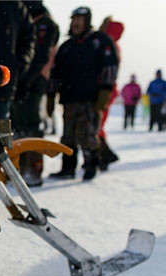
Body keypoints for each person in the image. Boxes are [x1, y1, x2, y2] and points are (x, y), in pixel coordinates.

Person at [49, 6, 118, 181]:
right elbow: (55, 72)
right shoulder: (66, 46)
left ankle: (91, 166)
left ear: (87, 22)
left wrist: (105, 91)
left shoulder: (99, 41)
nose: (75, 23)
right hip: (69, 98)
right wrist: (51, 94)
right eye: (73, 20)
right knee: (68, 135)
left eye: (79, 20)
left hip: (91, 98)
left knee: (87, 134)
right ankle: (68, 168)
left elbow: (110, 66)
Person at [11, 1, 59, 187]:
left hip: (33, 80)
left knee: (31, 125)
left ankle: (33, 169)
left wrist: (26, 79)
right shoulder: (25, 21)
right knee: (18, 125)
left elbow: (41, 55)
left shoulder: (44, 24)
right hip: (20, 79)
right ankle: (19, 167)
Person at [96, 16, 123, 171]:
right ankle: (104, 155)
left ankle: (105, 155)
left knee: (96, 125)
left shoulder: (108, 46)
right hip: (107, 90)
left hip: (105, 91)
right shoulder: (111, 45)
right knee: (98, 125)